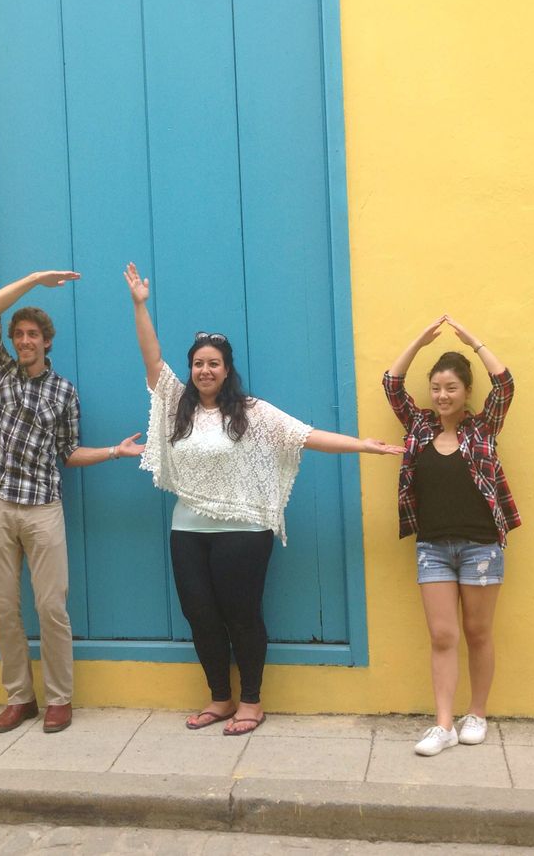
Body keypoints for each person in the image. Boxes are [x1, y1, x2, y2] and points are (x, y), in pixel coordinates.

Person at [124, 263, 404, 736]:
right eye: (198, 363)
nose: (205, 370)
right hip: (187, 530)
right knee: (200, 616)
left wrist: (362, 445)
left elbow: (306, 435)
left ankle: (251, 702)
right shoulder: (176, 405)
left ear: (226, 369)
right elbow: (151, 359)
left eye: (214, 363)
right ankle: (220, 697)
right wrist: (139, 305)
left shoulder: (252, 413)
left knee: (241, 616)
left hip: (244, 531)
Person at [0, 270, 144, 734]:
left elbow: (68, 452)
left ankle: (58, 699)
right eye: (19, 334)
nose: (25, 341)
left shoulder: (64, 391)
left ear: (47, 342)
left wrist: (114, 452)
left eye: (33, 335)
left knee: (51, 607)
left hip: (43, 508)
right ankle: (19, 698)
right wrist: (36, 279)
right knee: (4, 608)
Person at [383, 315, 519, 756]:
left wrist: (474, 341)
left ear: (466, 393)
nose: (442, 396)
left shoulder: (483, 428)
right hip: (433, 549)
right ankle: (443, 725)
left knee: (478, 632)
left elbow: (505, 385)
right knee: (442, 636)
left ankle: (476, 714)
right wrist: (419, 341)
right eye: (436, 388)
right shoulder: (419, 428)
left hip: (481, 547)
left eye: (451, 389)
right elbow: (391, 383)